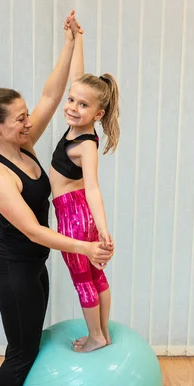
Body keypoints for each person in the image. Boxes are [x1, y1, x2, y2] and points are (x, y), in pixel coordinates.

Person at [0, 11, 113, 386]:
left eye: (28, 116)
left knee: (28, 341)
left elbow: (51, 92)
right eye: (21, 118)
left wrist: (70, 42)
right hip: (12, 270)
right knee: (21, 350)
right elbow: (33, 230)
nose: (30, 121)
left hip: (32, 268)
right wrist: (87, 246)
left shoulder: (23, 145)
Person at [49, 24, 120, 353]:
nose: (72, 107)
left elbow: (93, 189)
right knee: (96, 276)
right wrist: (77, 39)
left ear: (98, 113)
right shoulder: (80, 125)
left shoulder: (86, 144)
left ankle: (95, 336)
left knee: (84, 280)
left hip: (76, 218)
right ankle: (103, 332)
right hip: (80, 216)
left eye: (82, 105)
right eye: (71, 100)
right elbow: (78, 77)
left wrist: (103, 230)